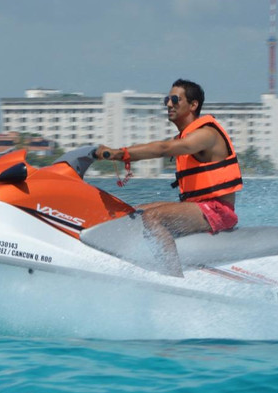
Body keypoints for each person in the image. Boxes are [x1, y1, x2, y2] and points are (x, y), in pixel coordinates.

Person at [95, 79, 242, 276]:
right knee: (133, 213)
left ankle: (172, 276)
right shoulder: (183, 137)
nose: (169, 104)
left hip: (218, 211)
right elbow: (156, 148)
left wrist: (120, 153)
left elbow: (163, 148)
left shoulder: (206, 134)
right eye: (167, 100)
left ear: (193, 105)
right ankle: (116, 263)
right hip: (198, 208)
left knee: (152, 217)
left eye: (175, 99)